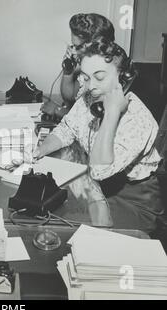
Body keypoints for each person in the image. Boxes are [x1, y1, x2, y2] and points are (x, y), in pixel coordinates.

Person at [33, 38, 163, 233]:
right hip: (97, 187)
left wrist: (112, 113)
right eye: (85, 77)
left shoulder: (138, 120)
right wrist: (38, 151)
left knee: (66, 230)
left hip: (132, 202)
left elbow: (100, 170)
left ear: (123, 77)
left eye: (99, 77)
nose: (90, 86)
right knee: (42, 212)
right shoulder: (89, 98)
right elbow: (66, 128)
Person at [43, 13, 115, 121]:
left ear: (96, 47)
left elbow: (89, 121)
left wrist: (58, 110)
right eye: (72, 46)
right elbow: (71, 96)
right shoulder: (89, 70)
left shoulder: (105, 75)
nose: (72, 51)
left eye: (76, 47)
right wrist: (68, 71)